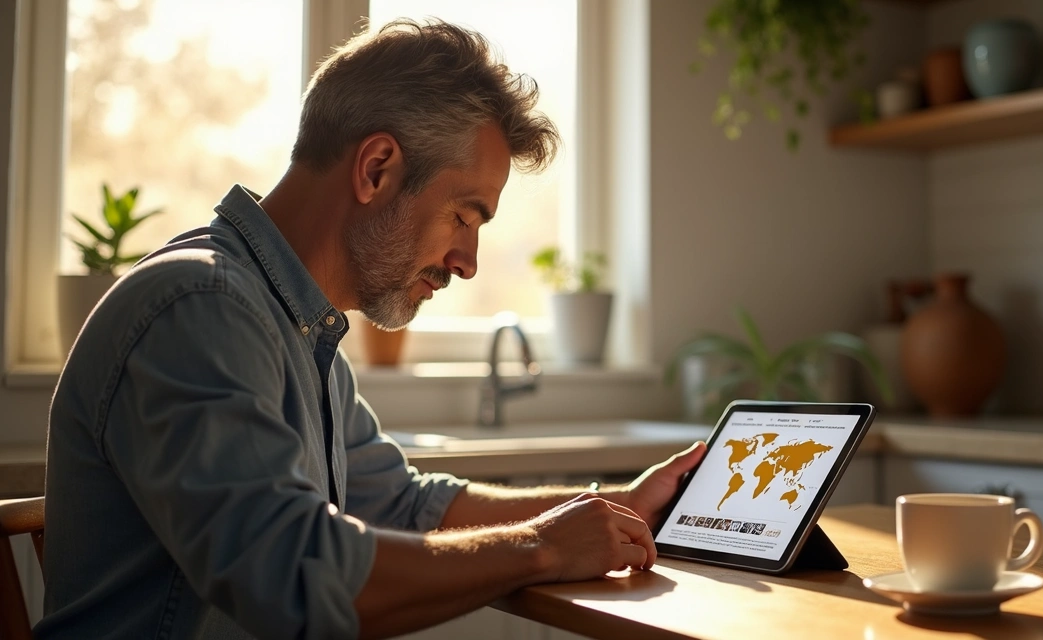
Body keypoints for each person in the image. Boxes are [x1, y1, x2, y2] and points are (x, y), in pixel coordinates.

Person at [37, 19, 705, 640]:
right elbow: (293, 577)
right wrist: (544, 548)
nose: (467, 264)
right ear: (376, 168)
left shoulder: (296, 330)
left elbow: (404, 505)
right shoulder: (199, 309)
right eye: (465, 218)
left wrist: (620, 506)